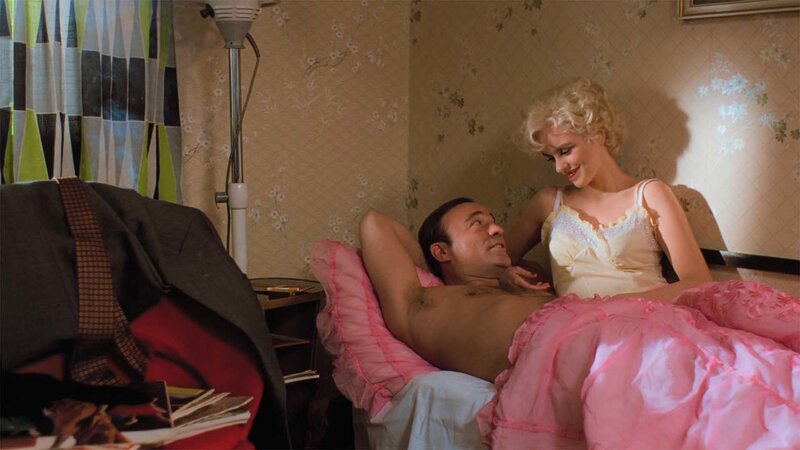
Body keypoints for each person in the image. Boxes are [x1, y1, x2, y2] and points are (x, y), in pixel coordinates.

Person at [502, 78, 711, 301]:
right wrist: (504, 275)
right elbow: (490, 265)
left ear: (598, 134)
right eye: (550, 158)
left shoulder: (649, 195)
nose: (559, 167)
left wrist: (617, 305)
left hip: (645, 317)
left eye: (565, 151)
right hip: (573, 320)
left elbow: (698, 282)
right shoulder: (548, 203)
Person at [360, 198, 553, 382]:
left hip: (568, 325)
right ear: (442, 251)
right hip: (547, 355)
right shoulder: (421, 303)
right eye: (477, 223)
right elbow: (374, 222)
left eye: (493, 222)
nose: (497, 229)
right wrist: (434, 264)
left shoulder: (521, 283)